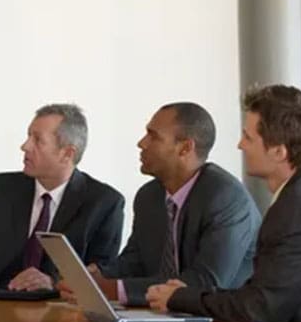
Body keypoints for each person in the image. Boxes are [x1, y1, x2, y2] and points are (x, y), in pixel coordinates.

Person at [148, 85, 301, 322]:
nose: (239, 145)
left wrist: (180, 298)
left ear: (279, 151)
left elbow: (261, 308)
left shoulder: (296, 207)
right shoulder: (294, 198)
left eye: (248, 137)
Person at [61, 103, 260, 306]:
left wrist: (111, 290)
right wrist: (93, 276)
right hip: (164, 318)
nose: (141, 143)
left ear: (185, 148)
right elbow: (134, 262)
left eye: (153, 136)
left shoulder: (226, 198)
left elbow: (205, 282)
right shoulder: (148, 196)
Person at [0, 104, 123, 291]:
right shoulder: (0, 189)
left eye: (37, 140)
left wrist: (52, 283)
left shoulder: (104, 203)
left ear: (67, 154)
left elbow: (99, 275)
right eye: (28, 136)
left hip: (61, 318)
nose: (25, 146)